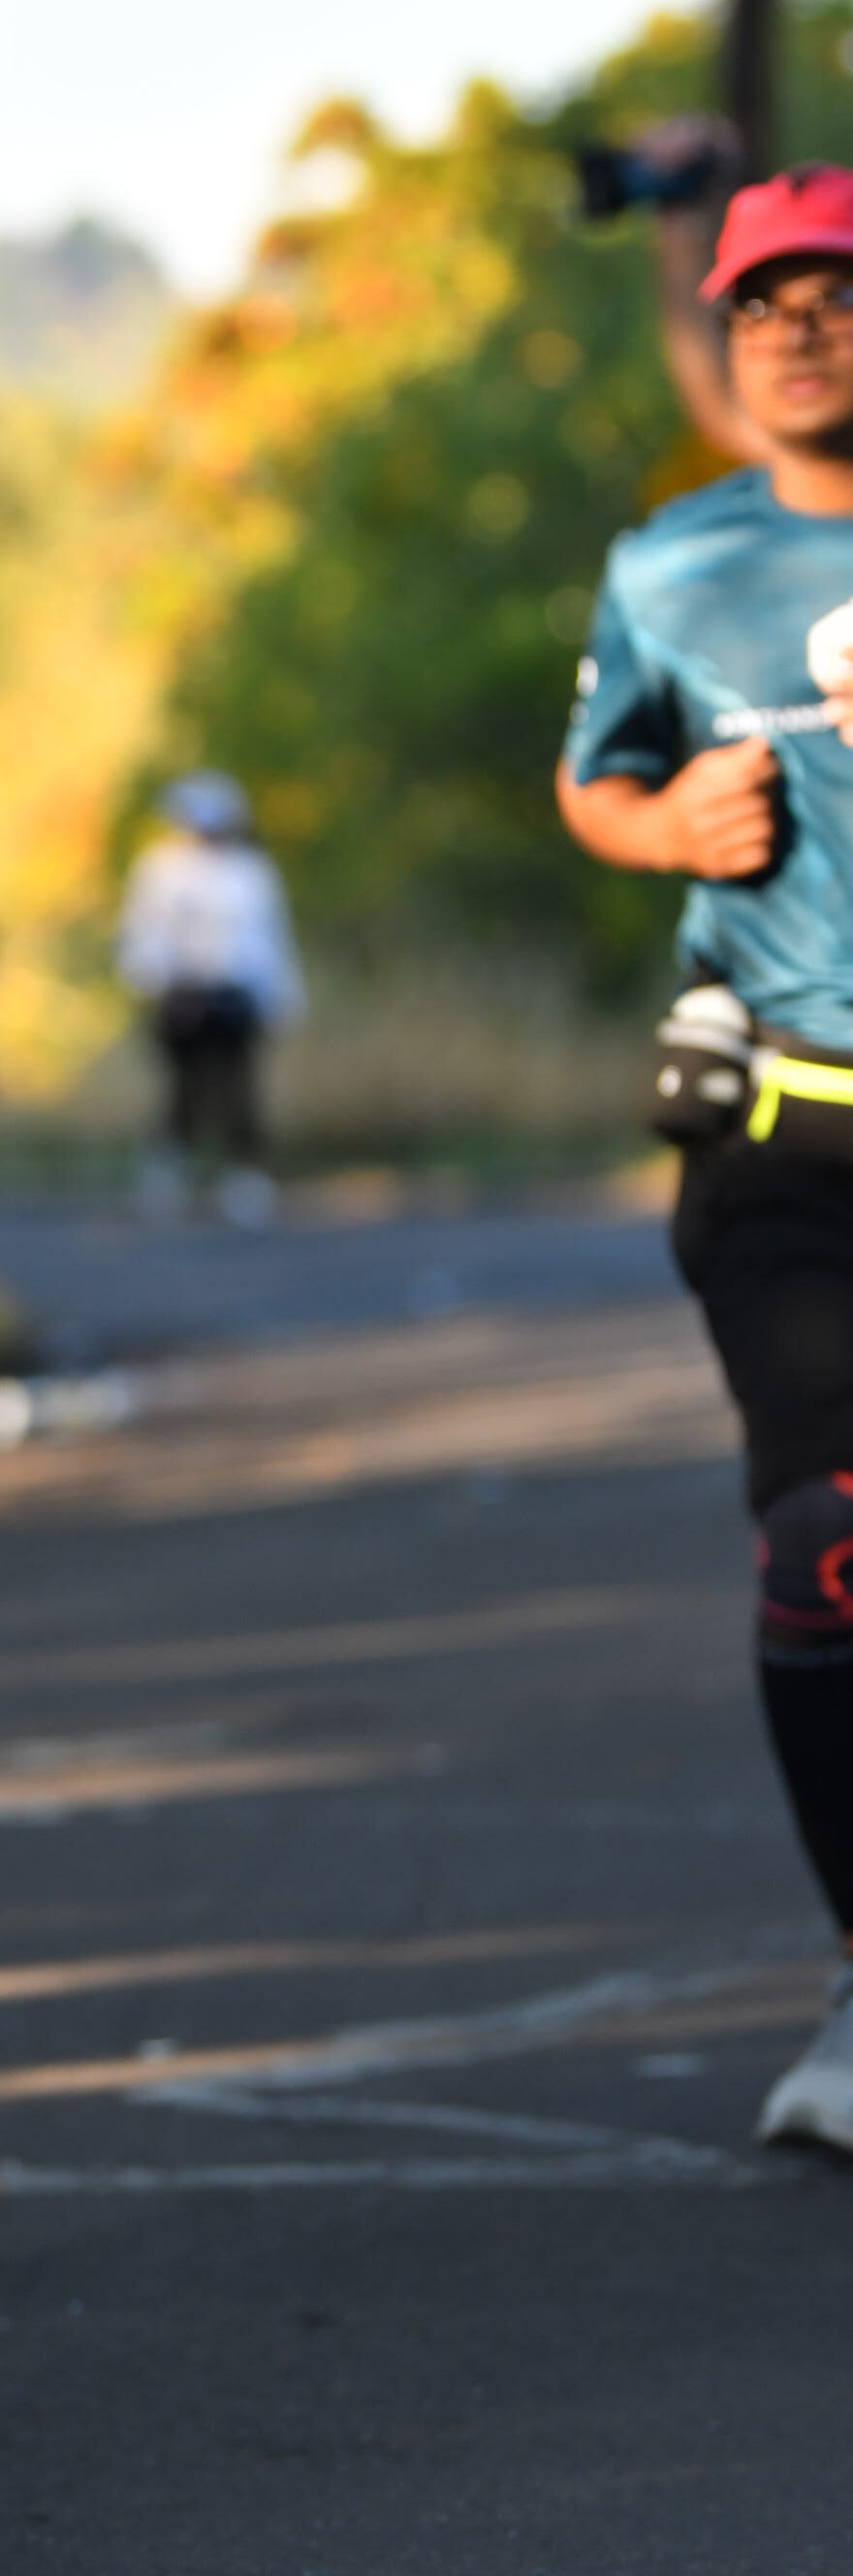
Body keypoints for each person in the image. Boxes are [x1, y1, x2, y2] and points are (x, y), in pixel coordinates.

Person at [557, 162, 853, 2158]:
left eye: (832, 295)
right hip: (783, 1132)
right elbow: (595, 779)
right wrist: (666, 830)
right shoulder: (674, 566)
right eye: (760, 301)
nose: (795, 329)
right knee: (825, 1538)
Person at [116, 769, 303, 1226]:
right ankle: (168, 1176)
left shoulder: (251, 871)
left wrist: (280, 999)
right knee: (184, 1090)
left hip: (234, 995)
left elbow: (269, 940)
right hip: (182, 996)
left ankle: (244, 1180)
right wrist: (155, 983)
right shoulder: (160, 868)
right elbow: (143, 933)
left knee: (238, 1090)